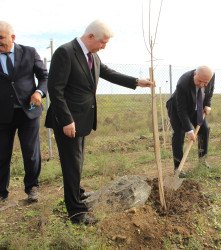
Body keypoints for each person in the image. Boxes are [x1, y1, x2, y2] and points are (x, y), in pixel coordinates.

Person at [45, 20, 154, 224]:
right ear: (91, 36)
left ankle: (77, 194)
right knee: (71, 165)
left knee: (76, 161)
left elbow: (108, 73)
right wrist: (66, 120)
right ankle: (77, 214)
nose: (105, 46)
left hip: (82, 119)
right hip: (68, 120)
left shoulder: (92, 56)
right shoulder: (65, 52)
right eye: (103, 42)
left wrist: (137, 82)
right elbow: (55, 90)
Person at [0, 21, 48, 203]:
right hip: (2, 115)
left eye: (1, 38)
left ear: (12, 37)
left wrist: (39, 92)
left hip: (29, 111)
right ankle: (1, 192)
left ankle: (32, 187)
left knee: (31, 152)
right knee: (1, 153)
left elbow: (44, 76)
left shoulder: (29, 52)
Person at [166, 66, 215, 173]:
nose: (202, 85)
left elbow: (210, 91)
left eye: (205, 82)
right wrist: (190, 131)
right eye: (199, 81)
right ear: (194, 74)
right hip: (177, 107)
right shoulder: (182, 83)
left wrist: (207, 104)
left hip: (197, 106)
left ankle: (203, 161)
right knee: (179, 133)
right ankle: (178, 167)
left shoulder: (211, 77)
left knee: (204, 129)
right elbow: (181, 110)